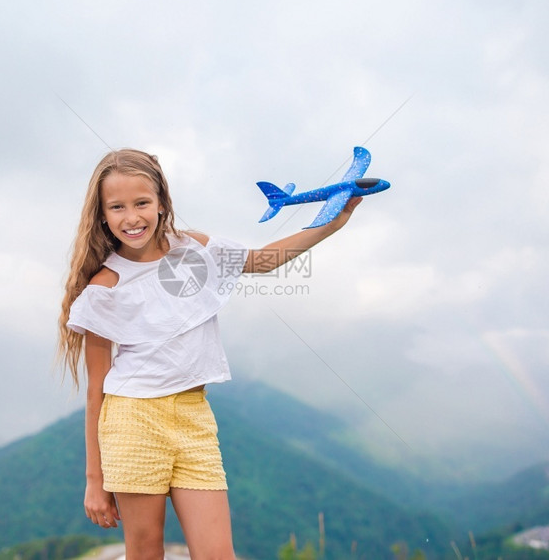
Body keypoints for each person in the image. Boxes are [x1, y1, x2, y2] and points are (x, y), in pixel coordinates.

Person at [57, 148, 361, 560]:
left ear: (162, 203)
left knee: (219, 554)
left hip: (194, 418)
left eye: (142, 203)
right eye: (118, 207)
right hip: (132, 422)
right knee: (145, 552)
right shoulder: (104, 288)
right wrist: (94, 480)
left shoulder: (192, 246)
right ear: (103, 215)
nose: (132, 217)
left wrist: (334, 222)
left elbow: (260, 261)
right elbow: (96, 391)